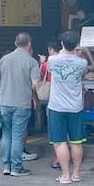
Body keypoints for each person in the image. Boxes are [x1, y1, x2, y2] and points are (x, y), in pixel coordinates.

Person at [0, 32, 40, 177]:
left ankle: (6, 166)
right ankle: (16, 168)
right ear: (29, 44)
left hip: (5, 102)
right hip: (22, 103)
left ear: (15, 43)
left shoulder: (5, 59)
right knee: (18, 136)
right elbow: (35, 84)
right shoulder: (31, 61)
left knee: (6, 134)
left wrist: (7, 82)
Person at [47, 30, 89, 184]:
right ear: (76, 45)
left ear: (62, 44)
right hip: (76, 106)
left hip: (57, 106)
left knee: (60, 141)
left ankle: (65, 175)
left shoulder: (52, 60)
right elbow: (83, 75)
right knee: (76, 141)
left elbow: (49, 71)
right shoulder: (82, 62)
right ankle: (76, 174)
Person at [39, 40, 60, 168]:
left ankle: (58, 158)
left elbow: (40, 76)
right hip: (70, 102)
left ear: (51, 49)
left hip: (53, 100)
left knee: (55, 131)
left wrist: (42, 62)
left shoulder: (48, 63)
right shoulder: (70, 61)